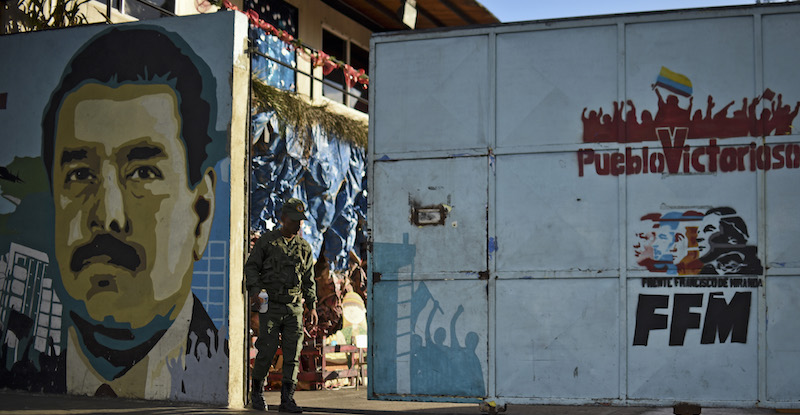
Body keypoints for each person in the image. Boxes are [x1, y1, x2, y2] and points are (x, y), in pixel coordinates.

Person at [40, 25, 225, 400]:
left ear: (201, 213)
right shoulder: (23, 360)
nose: (108, 216)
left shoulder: (220, 369)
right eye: (79, 175)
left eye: (143, 173)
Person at [245, 198, 317, 413]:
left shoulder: (304, 247)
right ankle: (257, 392)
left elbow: (309, 279)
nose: (298, 225)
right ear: (282, 219)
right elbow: (251, 268)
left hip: (293, 307)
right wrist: (255, 291)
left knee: (293, 353)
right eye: (294, 220)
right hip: (271, 305)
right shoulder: (267, 242)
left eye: (300, 221)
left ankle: (288, 399)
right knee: (266, 350)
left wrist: (311, 306)